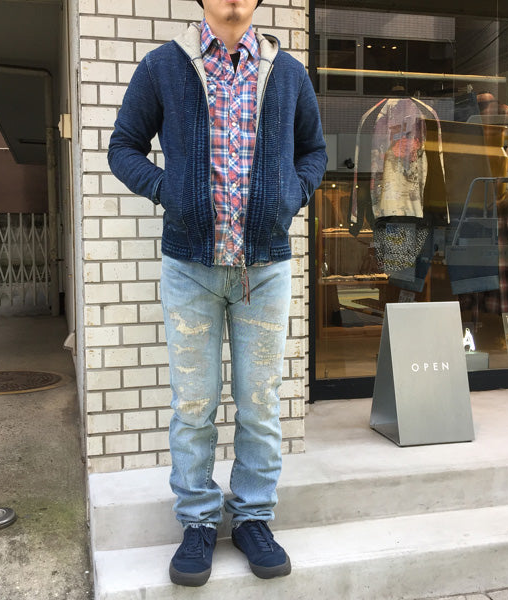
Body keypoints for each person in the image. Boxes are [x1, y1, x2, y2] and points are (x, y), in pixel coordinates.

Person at [108, 0, 327, 587]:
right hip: (190, 267)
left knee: (260, 403)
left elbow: (314, 151)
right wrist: (169, 191)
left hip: (265, 267)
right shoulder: (164, 66)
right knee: (193, 404)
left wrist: (291, 194)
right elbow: (123, 146)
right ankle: (199, 521)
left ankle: (253, 517)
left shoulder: (288, 73)